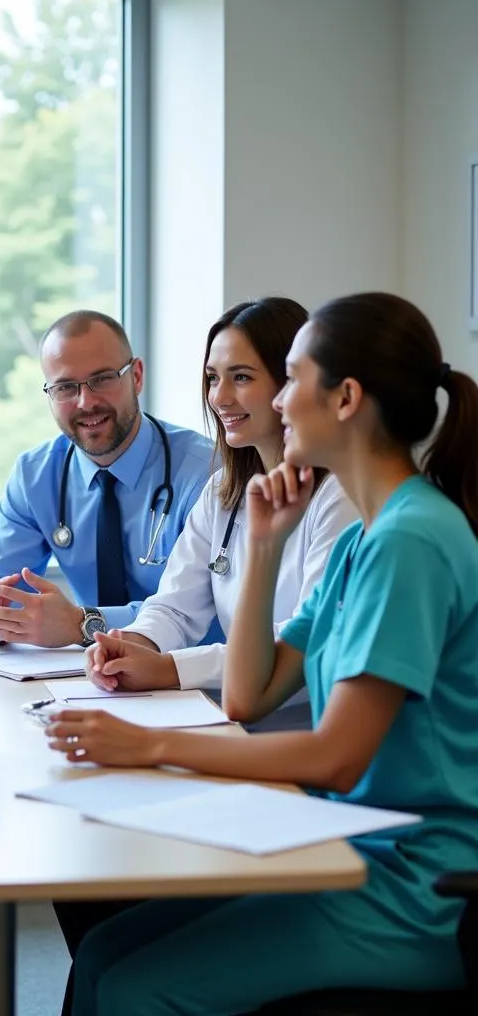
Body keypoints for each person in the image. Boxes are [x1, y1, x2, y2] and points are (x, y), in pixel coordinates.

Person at [45, 292, 478, 1015]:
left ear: (345, 399)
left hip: (413, 884)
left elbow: (336, 755)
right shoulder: (371, 537)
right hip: (350, 848)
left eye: (292, 378)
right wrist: (268, 544)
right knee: (102, 951)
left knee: (131, 986)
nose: (275, 405)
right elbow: (250, 696)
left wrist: (148, 747)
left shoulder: (410, 541)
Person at [84, 298, 358, 715]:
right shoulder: (222, 491)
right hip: (242, 714)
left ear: (295, 384)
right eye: (213, 378)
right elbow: (174, 607)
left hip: (307, 721)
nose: (220, 397)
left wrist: (168, 668)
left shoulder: (340, 496)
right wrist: (127, 647)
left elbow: (302, 639)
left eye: (242, 377)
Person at [0, 310, 218, 649]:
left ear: (136, 376)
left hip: (189, 682)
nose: (86, 402)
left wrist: (84, 623)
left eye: (102, 379)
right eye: (65, 387)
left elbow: (207, 613)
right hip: (87, 677)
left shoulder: (205, 473)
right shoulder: (36, 476)